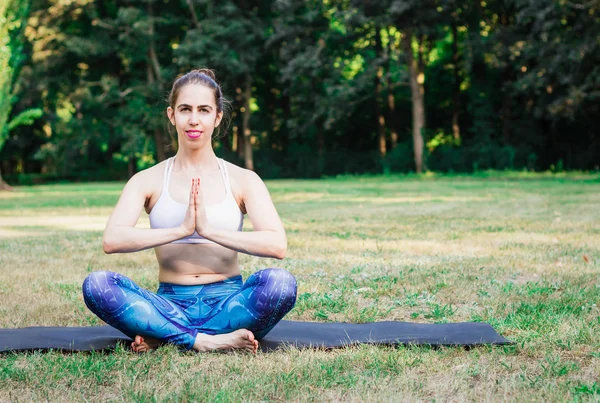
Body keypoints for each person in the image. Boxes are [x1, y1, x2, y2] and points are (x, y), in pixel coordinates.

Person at [82, 69, 297, 354]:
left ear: (217, 117)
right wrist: (179, 231)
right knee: (97, 284)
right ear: (172, 115)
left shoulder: (243, 179)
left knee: (281, 283)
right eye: (185, 109)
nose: (194, 119)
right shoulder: (148, 179)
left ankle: (167, 335)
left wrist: (208, 231)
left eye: (204, 110)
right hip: (169, 303)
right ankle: (204, 341)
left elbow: (277, 245)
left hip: (228, 302)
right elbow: (112, 240)